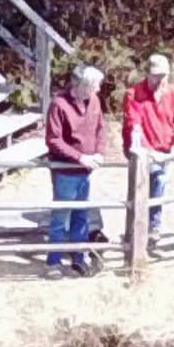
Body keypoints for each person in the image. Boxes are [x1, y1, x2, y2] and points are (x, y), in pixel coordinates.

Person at [122, 53, 174, 249]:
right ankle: (136, 231)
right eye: (156, 75)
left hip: (163, 150)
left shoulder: (172, 94)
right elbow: (134, 125)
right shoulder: (134, 94)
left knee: (158, 187)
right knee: (142, 188)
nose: (160, 80)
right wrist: (145, 151)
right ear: (147, 74)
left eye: (164, 75)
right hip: (141, 151)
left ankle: (152, 229)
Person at [44, 65, 106, 277]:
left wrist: (99, 152)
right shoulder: (59, 105)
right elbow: (53, 140)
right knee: (61, 216)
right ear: (82, 86)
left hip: (86, 170)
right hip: (66, 171)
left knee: (82, 214)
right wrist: (80, 157)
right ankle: (53, 261)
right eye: (94, 86)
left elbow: (100, 128)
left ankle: (79, 258)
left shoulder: (94, 101)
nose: (98, 90)